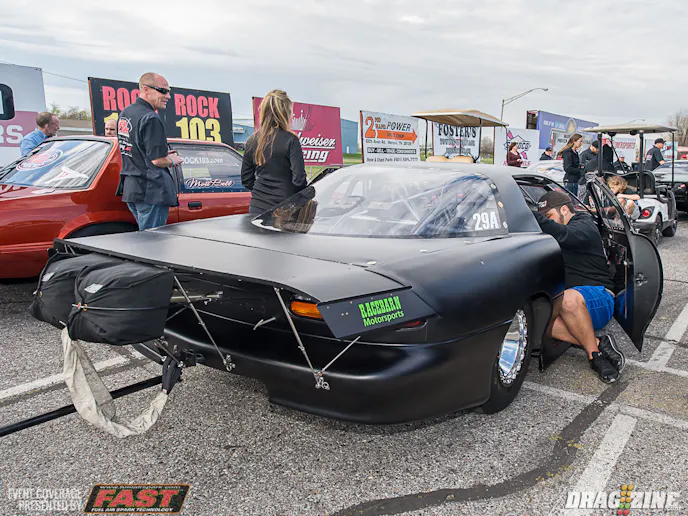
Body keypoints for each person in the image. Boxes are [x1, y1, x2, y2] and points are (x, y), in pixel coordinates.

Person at [533, 190, 624, 383]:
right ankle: (598, 342)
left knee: (567, 299)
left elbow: (563, 235)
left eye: (549, 216)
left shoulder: (584, 224)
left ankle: (594, 356)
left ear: (564, 210)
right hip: (570, 305)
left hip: (600, 297)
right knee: (535, 318)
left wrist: (529, 215)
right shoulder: (558, 232)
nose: (548, 222)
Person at [117, 72, 182, 230]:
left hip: (132, 188)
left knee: (144, 239)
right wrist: (172, 160)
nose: (168, 96)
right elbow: (157, 161)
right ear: (145, 89)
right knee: (153, 241)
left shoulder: (126, 113)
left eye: (169, 91)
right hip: (151, 190)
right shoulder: (150, 117)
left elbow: (136, 149)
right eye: (163, 91)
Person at [241, 89, 306, 214]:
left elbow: (246, 179)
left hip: (257, 206)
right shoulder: (291, 140)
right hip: (284, 208)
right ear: (285, 113)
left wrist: (262, 192)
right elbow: (299, 180)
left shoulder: (252, 140)